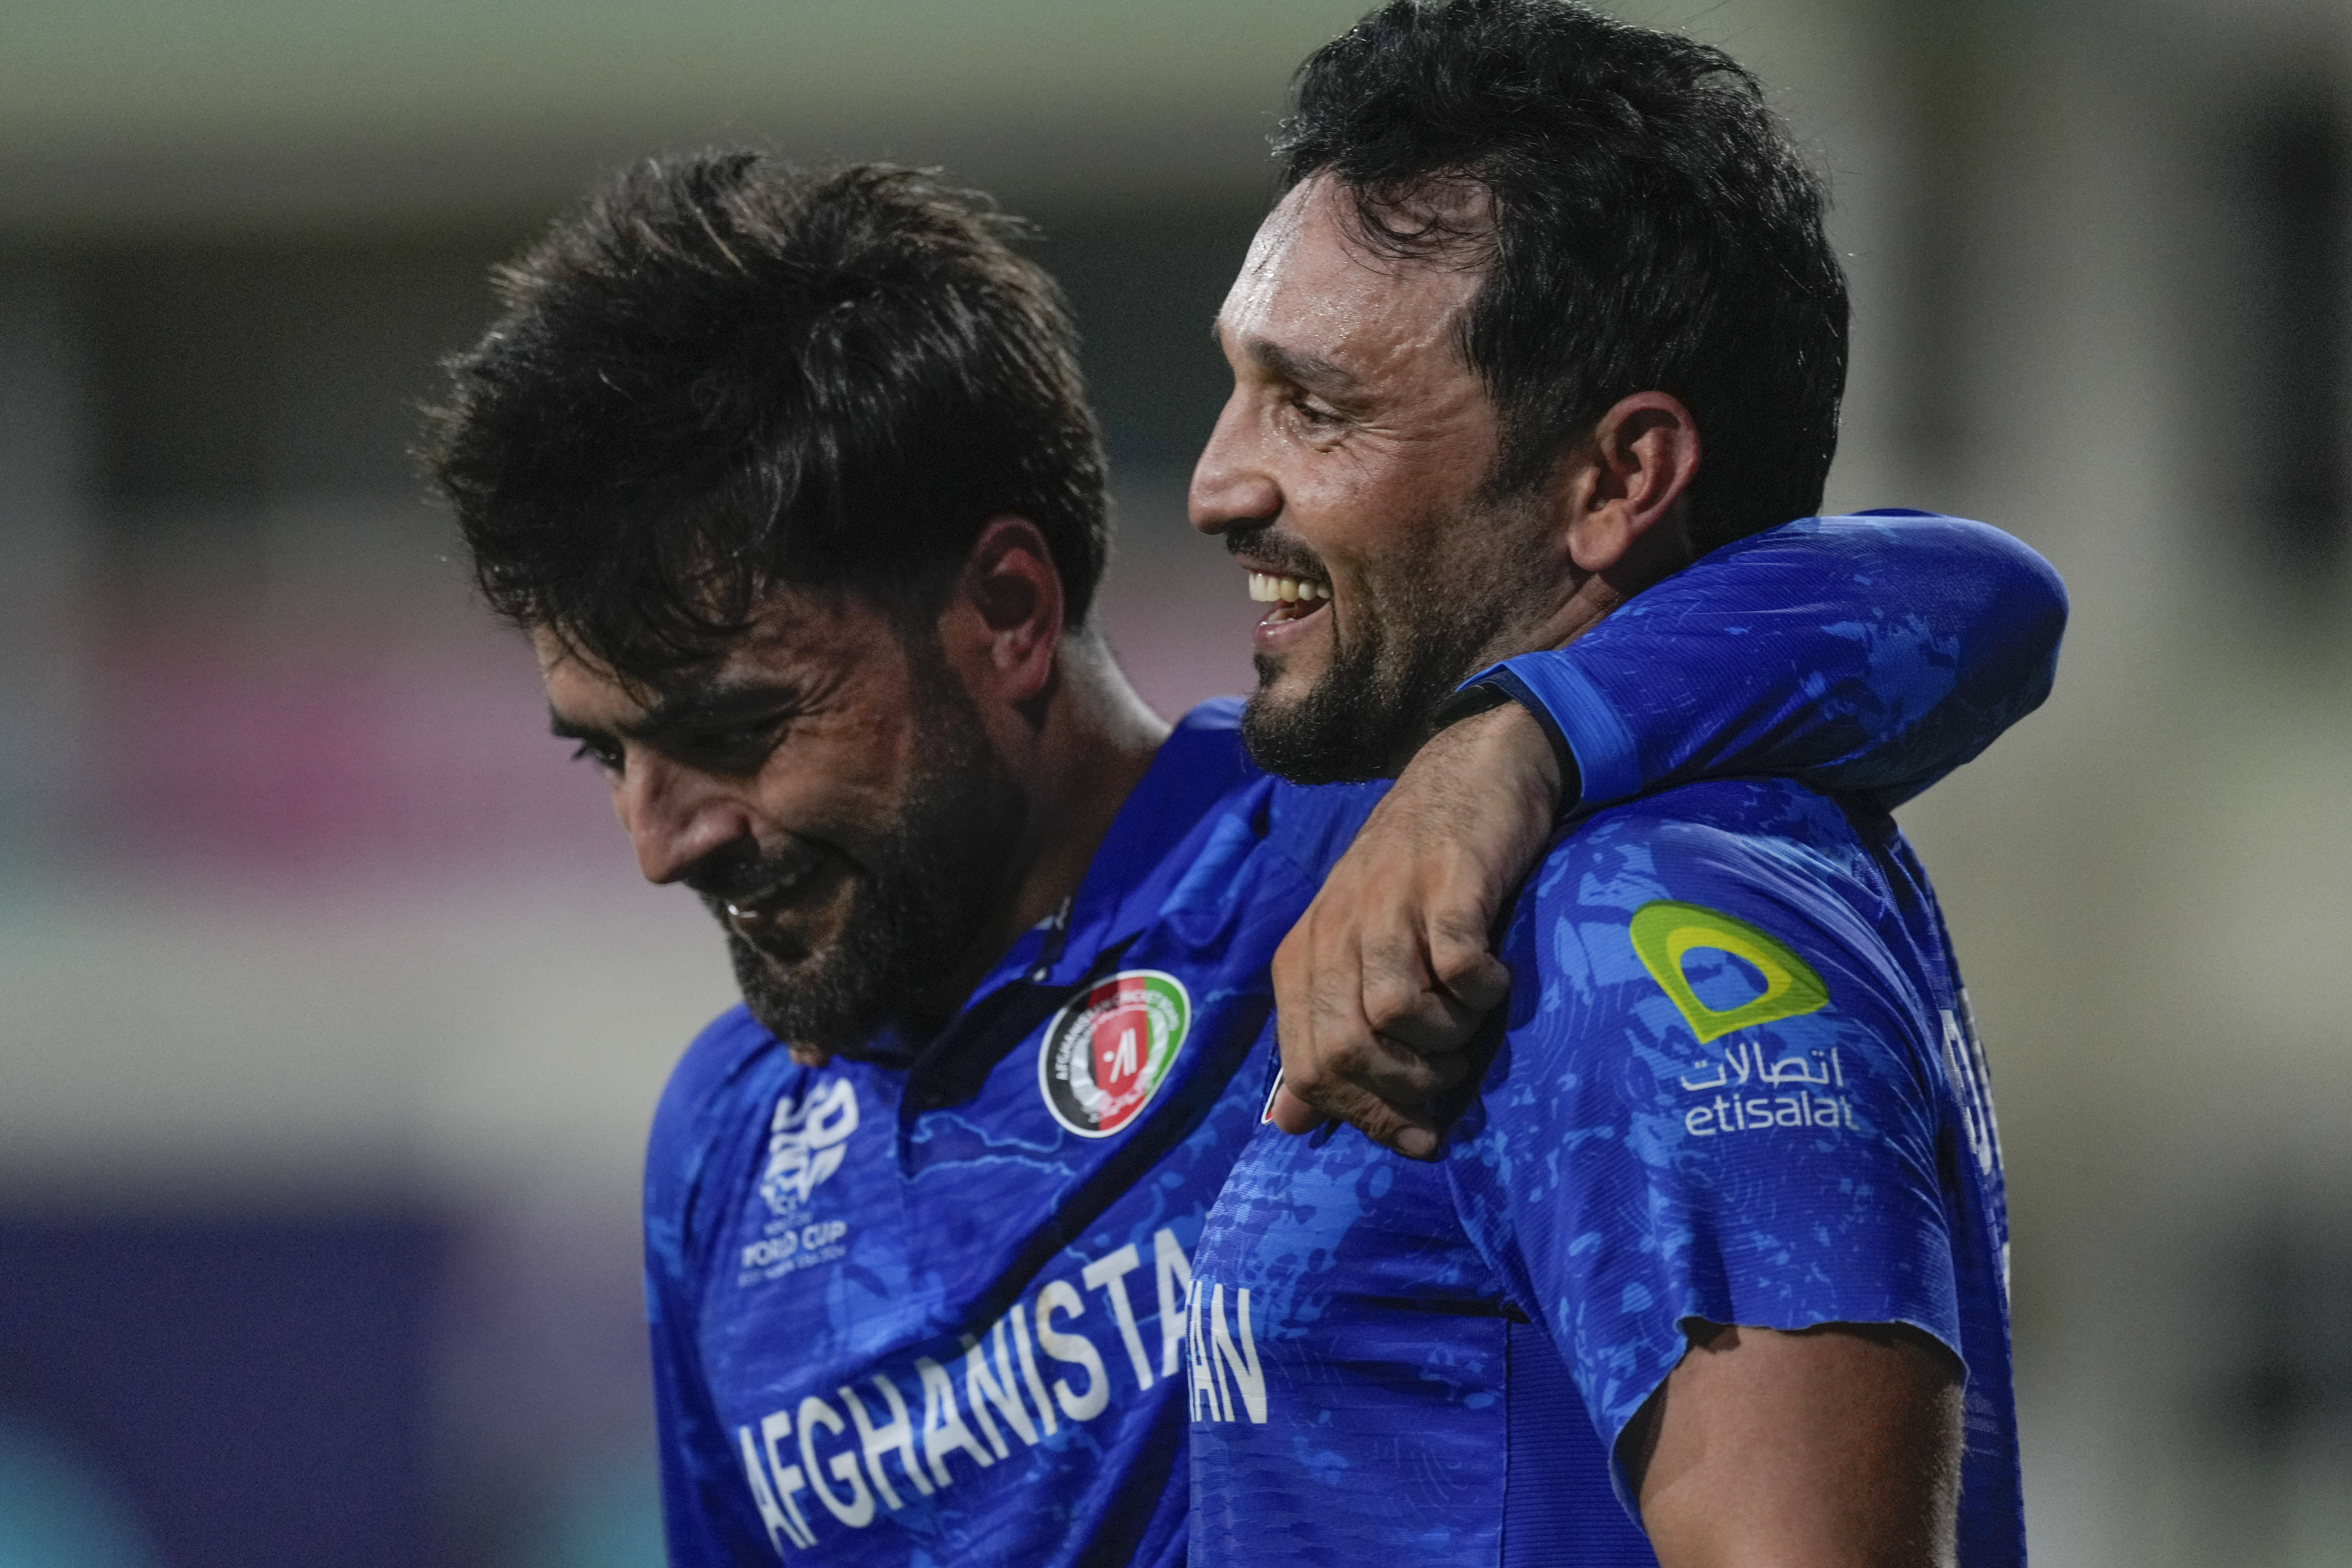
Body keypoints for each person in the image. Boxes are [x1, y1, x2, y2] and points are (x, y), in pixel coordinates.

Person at [418, 151, 2057, 1563]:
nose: (658, 837)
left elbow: (1973, 600)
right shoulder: (727, 1146)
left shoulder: (1366, 865)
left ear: (1003, 615)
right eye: (607, 750)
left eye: (732, 727)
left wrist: (1515, 744)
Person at [1184, 3, 2038, 1565]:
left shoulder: (1647, 910)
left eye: (1317, 408)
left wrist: (1519, 742)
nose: (1216, 482)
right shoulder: (1426, 838)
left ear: (1616, 479)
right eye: (1241, 389)